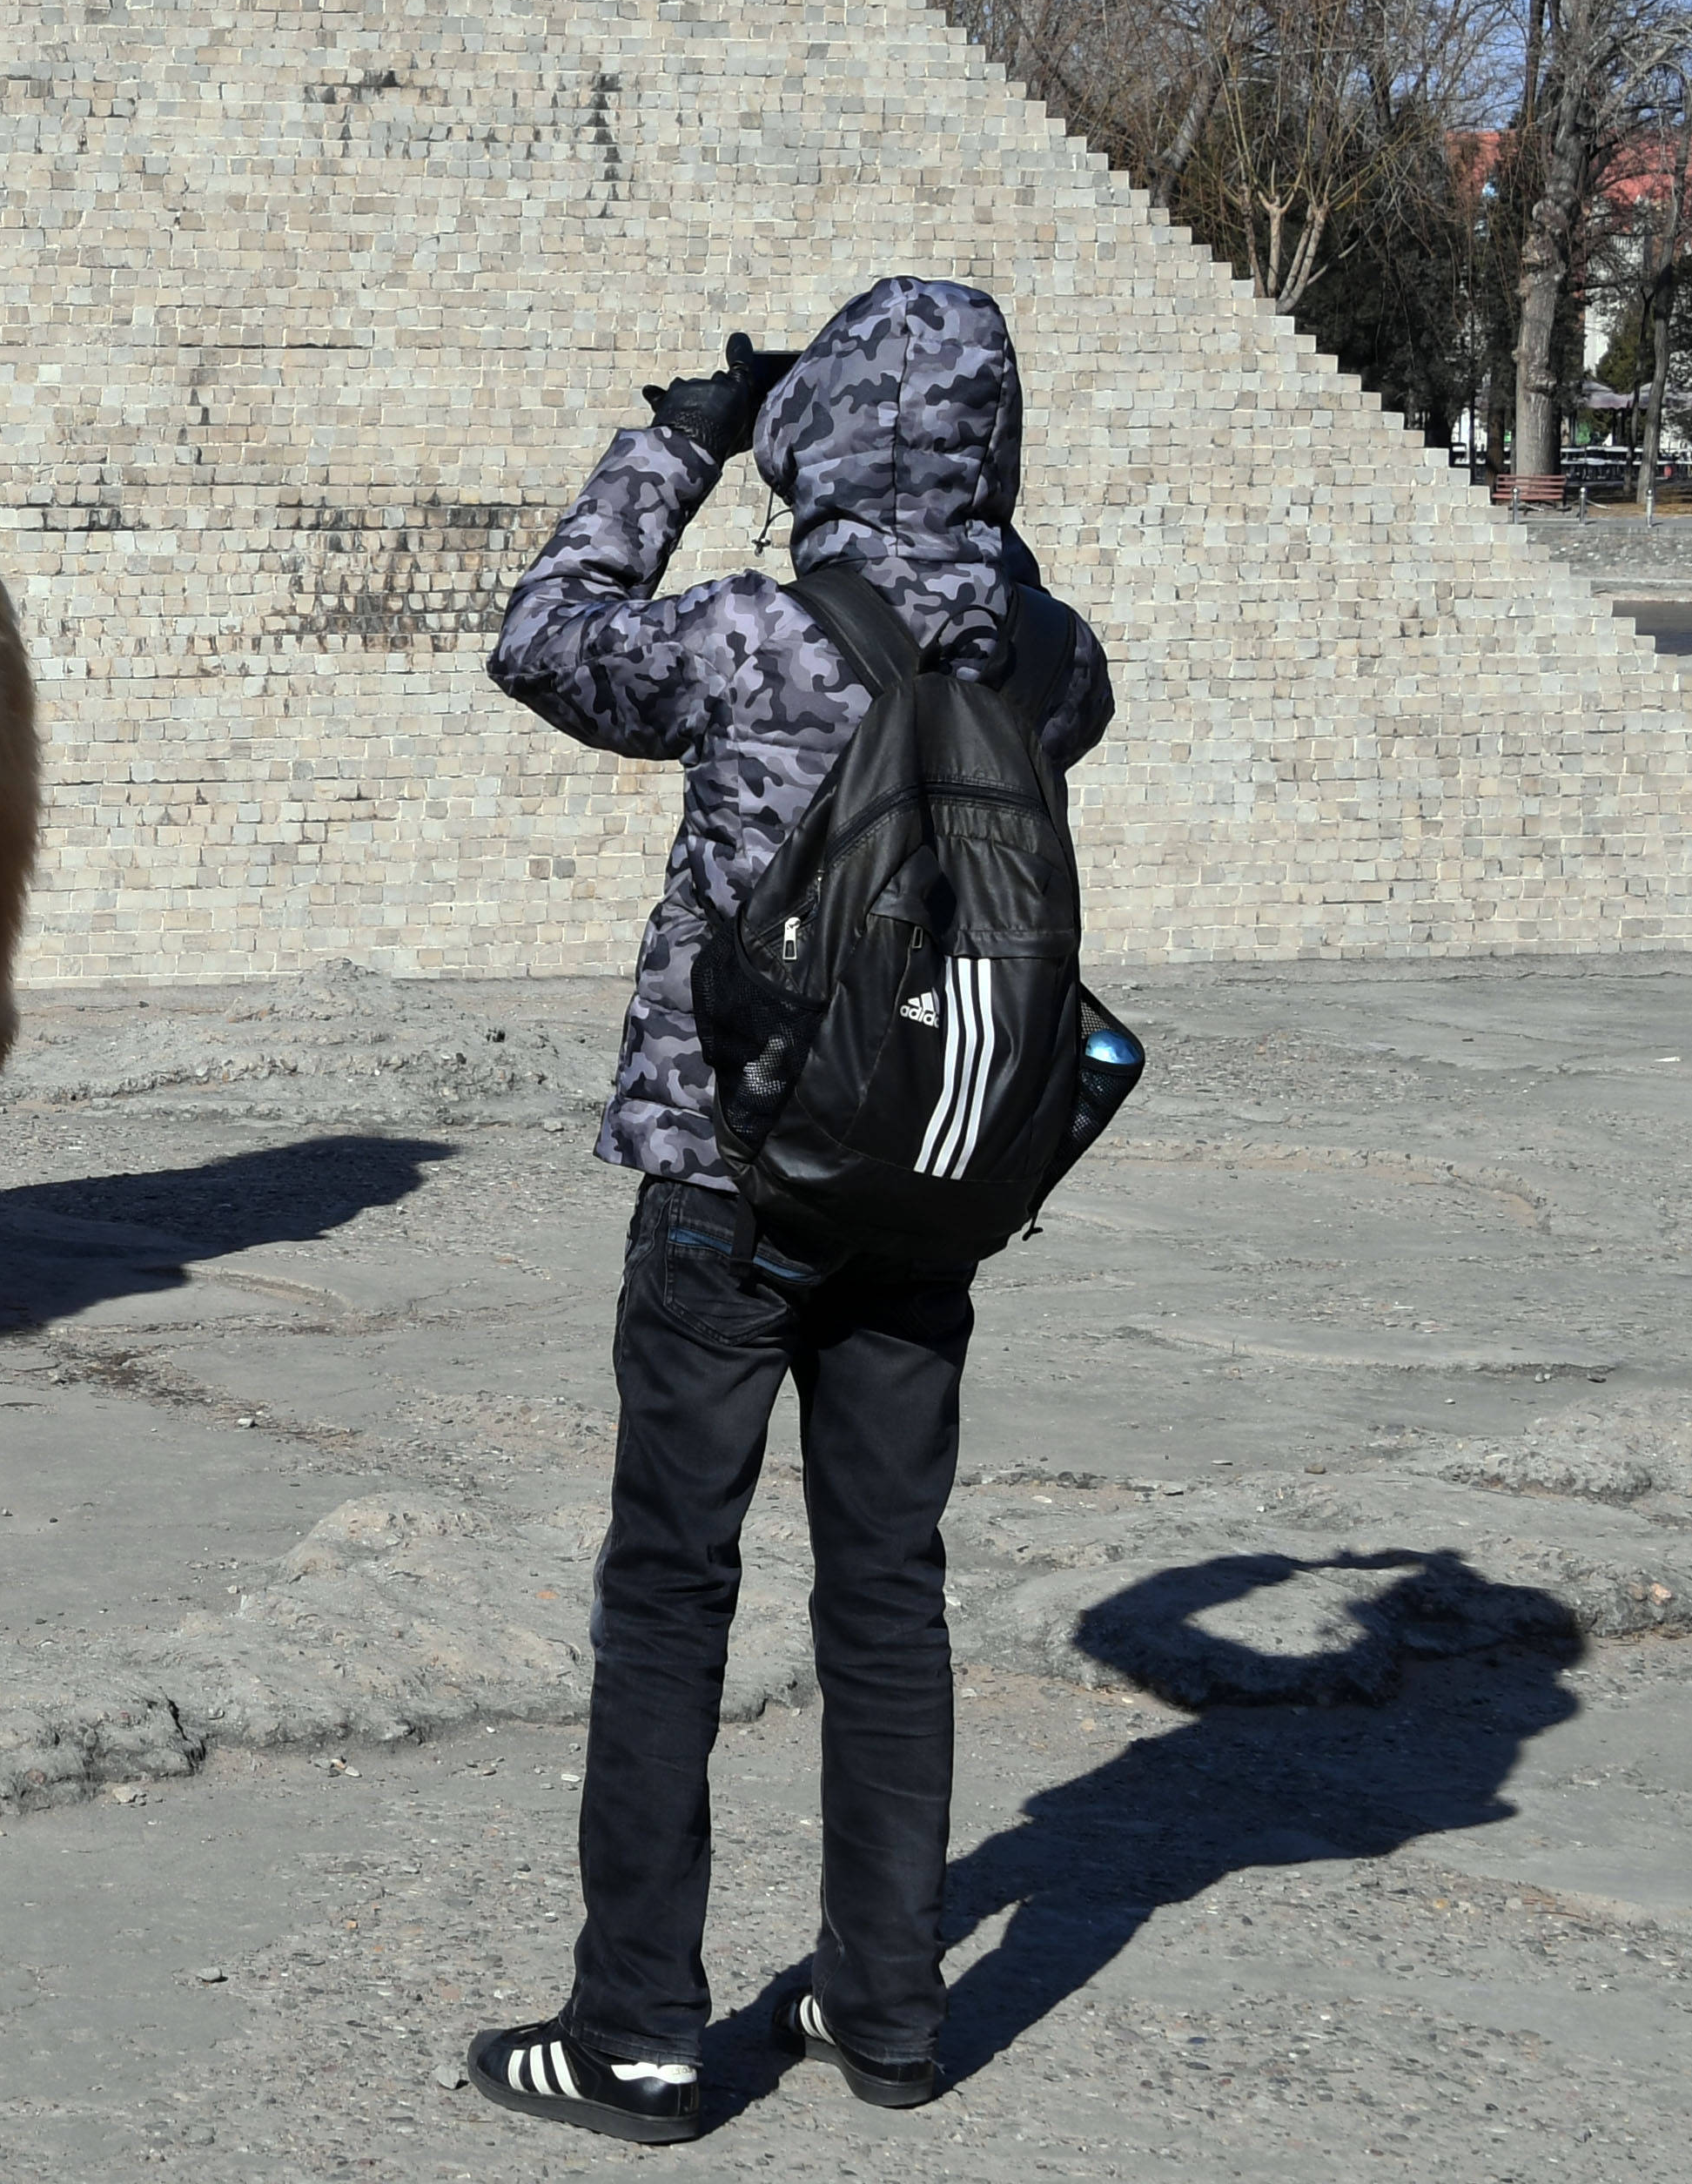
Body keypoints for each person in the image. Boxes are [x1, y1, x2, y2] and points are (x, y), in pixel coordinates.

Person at [464, 279, 1114, 2140]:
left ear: (822, 431)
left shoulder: (760, 636)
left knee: (673, 1587)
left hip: (729, 1171)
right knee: (889, 1591)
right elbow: (1010, 627)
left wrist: (681, 436)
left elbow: (545, 638)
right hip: (932, 1176)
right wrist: (960, 527)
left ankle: (640, 2030)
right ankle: (892, 2011)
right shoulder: (1047, 654)